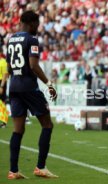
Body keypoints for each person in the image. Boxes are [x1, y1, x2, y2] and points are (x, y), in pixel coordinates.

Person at [6, 10, 58, 179]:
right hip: (29, 87)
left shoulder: (11, 39)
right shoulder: (32, 39)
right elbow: (34, 65)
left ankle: (13, 171)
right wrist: (49, 84)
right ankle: (40, 167)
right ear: (31, 23)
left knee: (18, 130)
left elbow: (8, 67)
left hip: (13, 87)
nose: (38, 27)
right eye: (37, 24)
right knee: (47, 125)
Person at [0, 47, 8, 128]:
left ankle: (4, 122)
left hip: (1, 82)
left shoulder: (3, 62)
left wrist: (1, 86)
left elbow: (5, 75)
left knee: (2, 102)